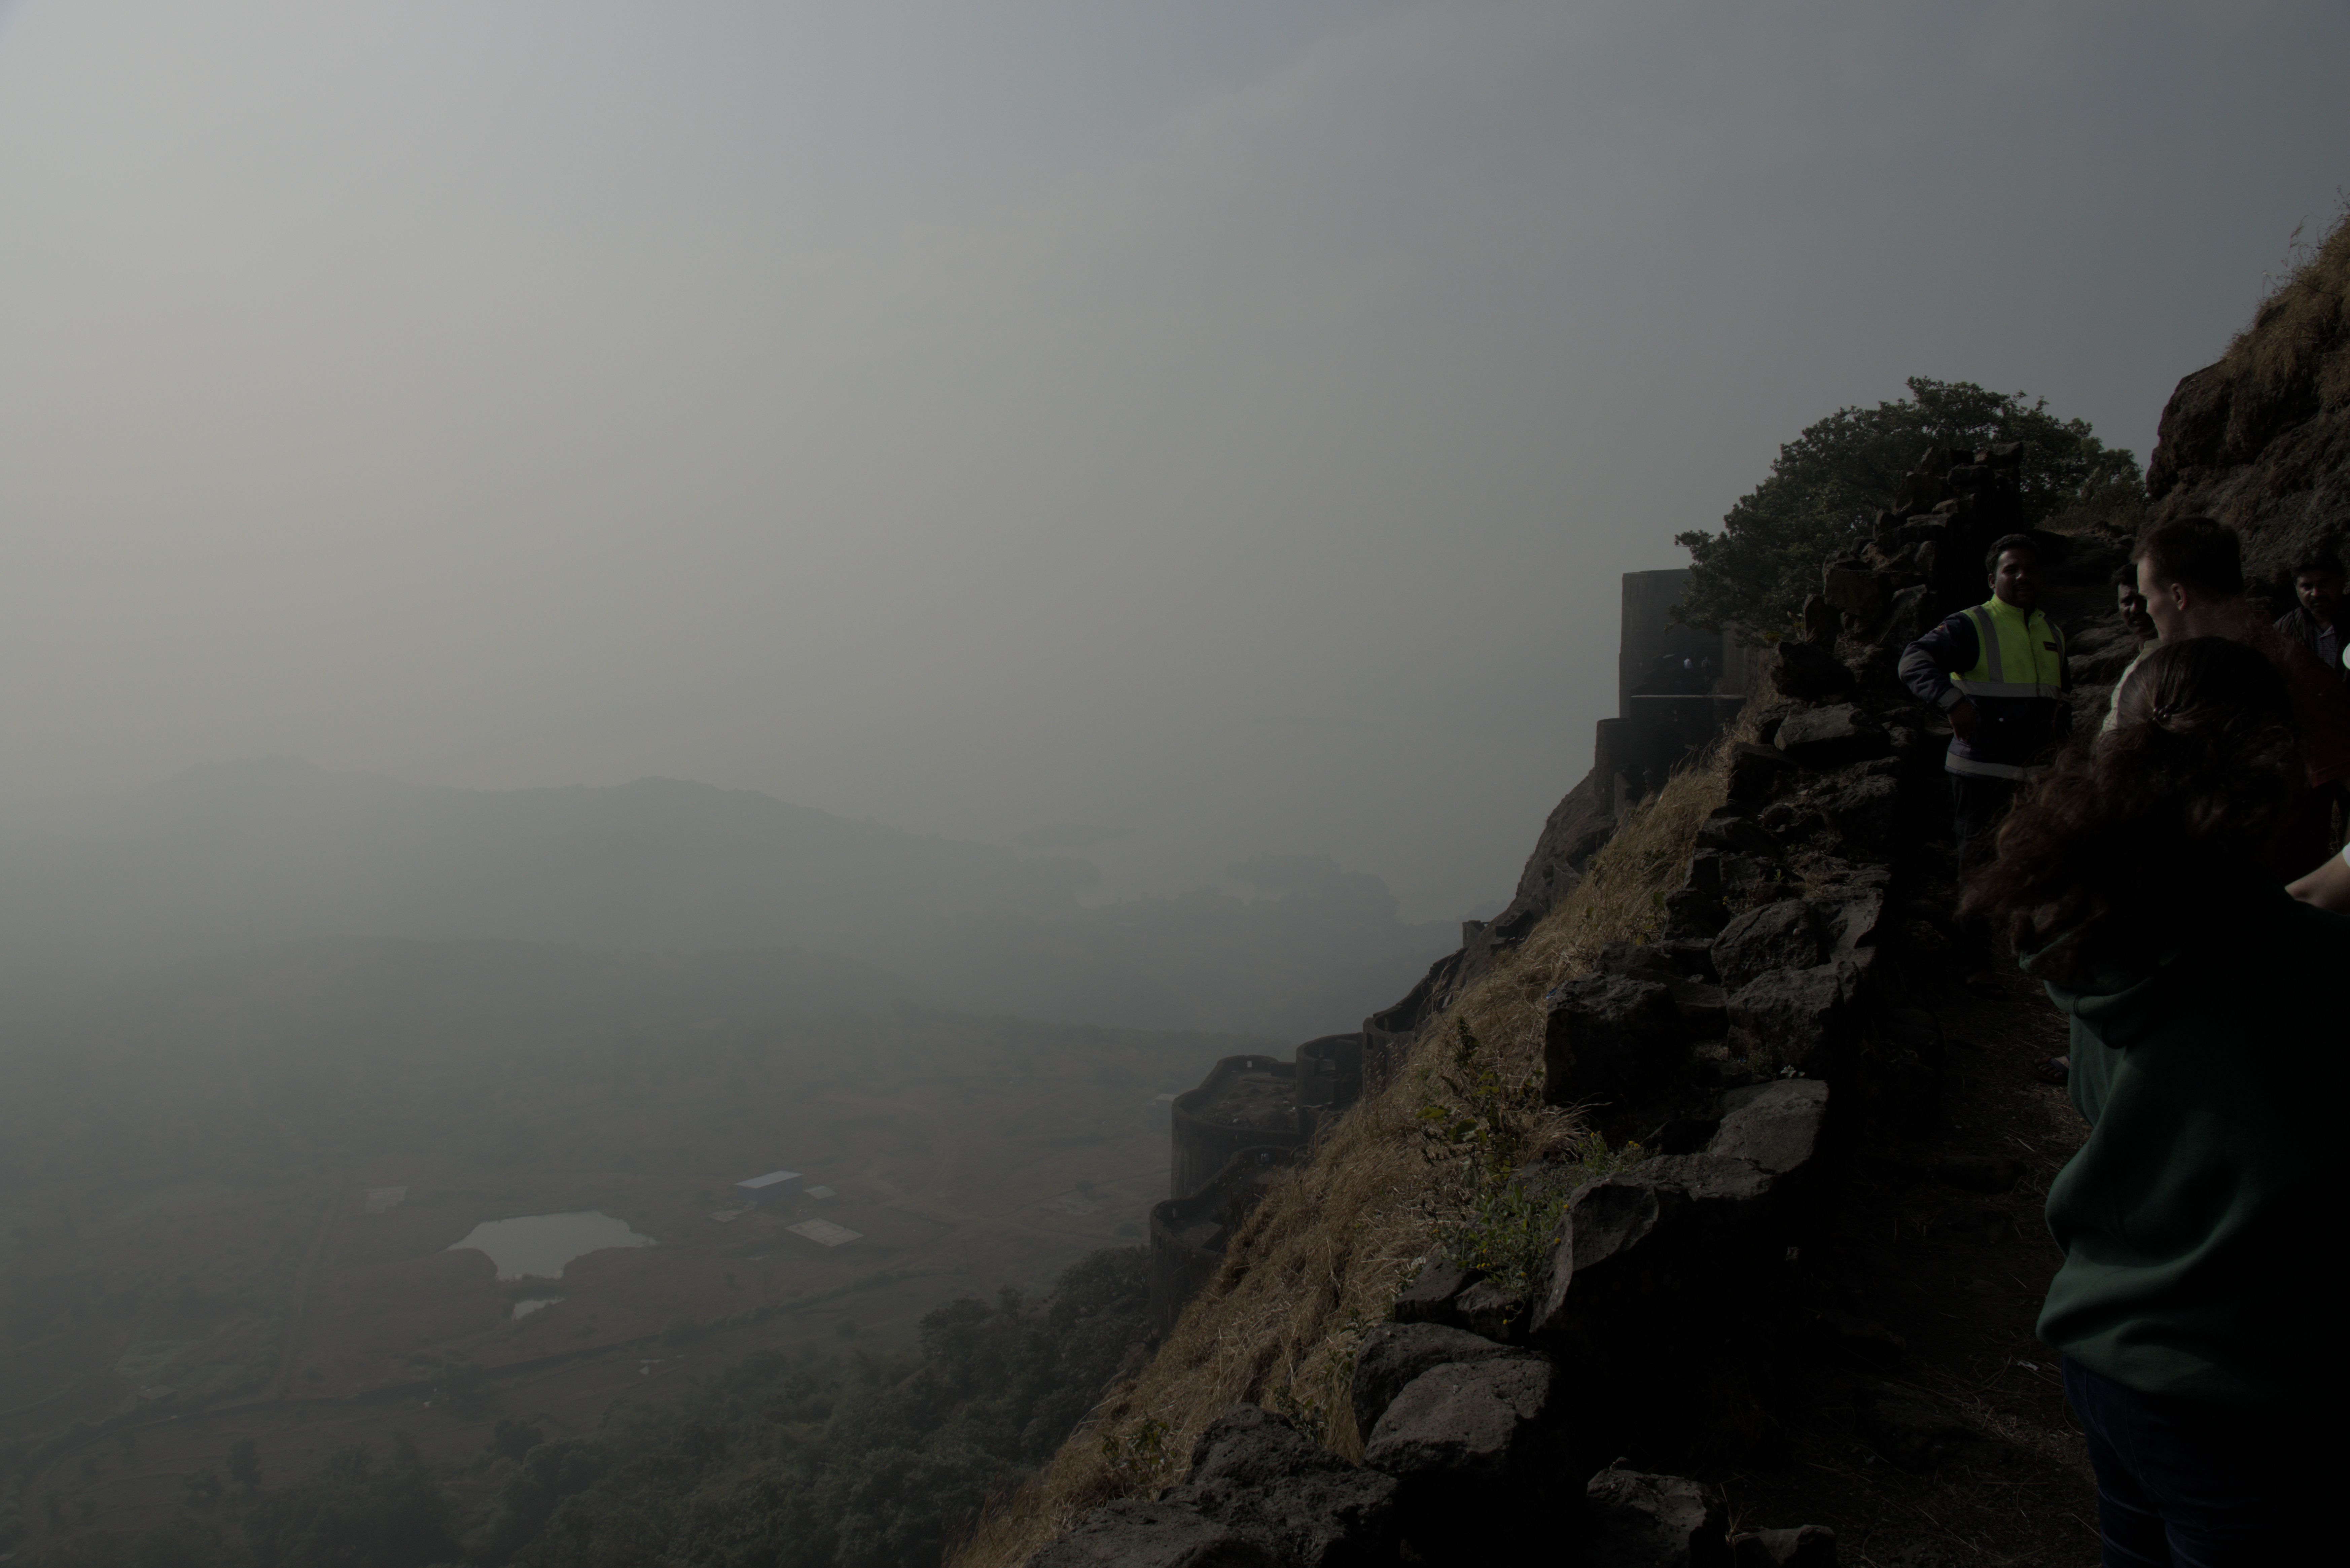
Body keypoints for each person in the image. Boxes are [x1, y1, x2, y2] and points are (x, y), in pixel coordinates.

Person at [1961, 637, 2343, 1563]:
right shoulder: (2305, 973)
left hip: (2105, 1353)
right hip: (2245, 1387)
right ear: (2279, 771)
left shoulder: (2096, 942)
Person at [1898, 531, 2071, 989]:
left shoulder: (2052, 633)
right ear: (1992, 578)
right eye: (2010, 569)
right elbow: (1914, 659)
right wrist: (1952, 700)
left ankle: (2030, 955)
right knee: (1976, 869)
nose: (2022, 577)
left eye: (2030, 569)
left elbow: (2059, 703)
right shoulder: (1973, 624)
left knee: (2037, 865)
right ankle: (1973, 963)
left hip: (2036, 776)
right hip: (1980, 772)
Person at [2134, 516, 2350, 877]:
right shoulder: (2179, 674)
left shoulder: (2298, 676)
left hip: (2273, 914)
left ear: (2178, 596)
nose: (2145, 612)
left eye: (2147, 598)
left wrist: (2314, 900)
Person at [2274, 545, 2347, 684]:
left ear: (2342, 581)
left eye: (2324, 584)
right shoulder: (2285, 630)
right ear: (2296, 588)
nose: (2316, 593)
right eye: (2307, 587)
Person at [2099, 562, 2158, 732]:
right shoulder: (2138, 662)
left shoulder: (2172, 658)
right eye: (2127, 601)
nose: (2136, 609)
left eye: (2143, 599)